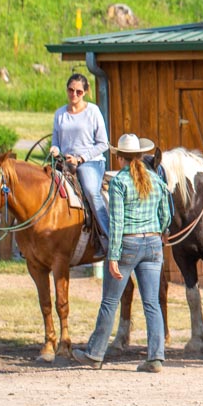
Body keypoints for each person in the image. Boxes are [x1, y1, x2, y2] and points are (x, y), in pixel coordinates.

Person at [73, 134, 172, 373]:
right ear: (139, 155)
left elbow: (117, 223)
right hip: (152, 243)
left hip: (128, 244)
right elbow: (166, 215)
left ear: (119, 158)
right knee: (152, 303)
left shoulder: (119, 182)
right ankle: (156, 357)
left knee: (109, 301)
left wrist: (114, 256)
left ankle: (95, 353)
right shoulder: (155, 180)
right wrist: (158, 232)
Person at [50, 73, 110, 253]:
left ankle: (108, 237)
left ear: (85, 92)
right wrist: (55, 149)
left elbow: (103, 144)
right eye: (70, 90)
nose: (74, 94)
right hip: (64, 162)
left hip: (90, 162)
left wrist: (81, 158)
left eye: (78, 91)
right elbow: (56, 141)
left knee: (91, 192)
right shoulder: (60, 114)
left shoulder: (93, 111)